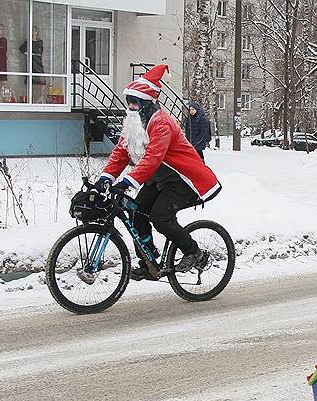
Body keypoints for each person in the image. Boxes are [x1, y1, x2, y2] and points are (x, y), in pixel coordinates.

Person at [95, 64, 222, 279]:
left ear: (147, 104)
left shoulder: (162, 123)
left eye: (135, 103)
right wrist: (106, 177)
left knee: (160, 217)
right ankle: (149, 261)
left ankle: (194, 252)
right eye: (129, 103)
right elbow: (121, 152)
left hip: (184, 180)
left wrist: (128, 182)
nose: (131, 107)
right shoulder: (135, 125)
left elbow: (153, 157)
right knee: (136, 212)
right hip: (160, 179)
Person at [21, 26, 46, 102]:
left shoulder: (40, 41)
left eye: (35, 31)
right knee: (31, 79)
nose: (34, 33)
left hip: (38, 60)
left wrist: (42, 59)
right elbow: (22, 49)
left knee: (42, 79)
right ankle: (30, 98)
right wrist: (27, 53)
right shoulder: (28, 42)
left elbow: (42, 52)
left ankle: (41, 95)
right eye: (32, 31)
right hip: (32, 61)